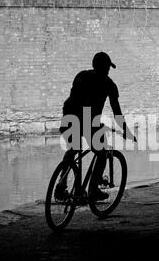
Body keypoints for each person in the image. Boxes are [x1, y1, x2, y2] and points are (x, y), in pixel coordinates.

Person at [55, 52, 135, 201]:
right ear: (105, 68)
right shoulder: (109, 85)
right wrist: (126, 131)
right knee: (102, 153)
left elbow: (74, 99)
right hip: (86, 118)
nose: (108, 71)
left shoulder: (81, 76)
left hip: (70, 114)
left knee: (73, 149)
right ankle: (93, 190)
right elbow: (117, 112)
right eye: (107, 68)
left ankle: (61, 187)